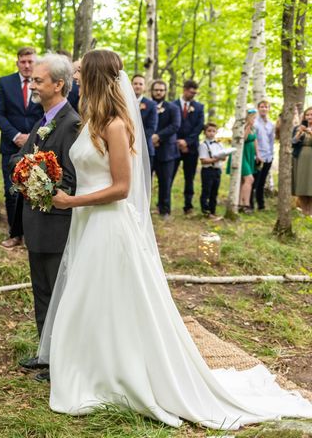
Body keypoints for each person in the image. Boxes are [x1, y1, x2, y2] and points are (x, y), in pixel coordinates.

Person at [37, 49, 312, 428]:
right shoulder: (89, 120)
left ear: (97, 76)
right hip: (87, 222)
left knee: (102, 297)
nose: (76, 77)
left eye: (82, 72)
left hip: (108, 225)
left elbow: (121, 187)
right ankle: (90, 367)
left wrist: (72, 200)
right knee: (86, 298)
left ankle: (118, 374)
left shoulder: (116, 125)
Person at [10, 54, 80, 381]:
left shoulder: (71, 124)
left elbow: (70, 180)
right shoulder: (42, 121)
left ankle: (62, 363)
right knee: (41, 293)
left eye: (39, 81)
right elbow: (22, 158)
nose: (33, 85)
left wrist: (35, 182)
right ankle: (45, 352)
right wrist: (23, 170)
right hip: (35, 223)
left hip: (56, 224)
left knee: (58, 296)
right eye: (33, 80)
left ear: (58, 84)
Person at [0, 47, 43, 248]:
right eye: (23, 62)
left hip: (39, 144)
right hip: (11, 146)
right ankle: (15, 234)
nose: (27, 65)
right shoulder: (5, 83)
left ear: (35, 62)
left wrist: (31, 137)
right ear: (17, 63)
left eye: (31, 61)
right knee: (11, 191)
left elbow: (47, 111)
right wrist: (15, 136)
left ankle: (33, 236)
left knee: (36, 190)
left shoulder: (42, 83)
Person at [173, 80, 205, 214]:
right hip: (173, 147)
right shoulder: (172, 105)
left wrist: (187, 142)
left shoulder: (199, 107)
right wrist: (177, 141)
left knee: (189, 177)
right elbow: (170, 124)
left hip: (191, 148)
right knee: (169, 176)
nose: (193, 95)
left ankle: (188, 206)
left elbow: (199, 127)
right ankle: (164, 205)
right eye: (191, 92)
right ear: (185, 90)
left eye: (195, 93)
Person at [150, 80, 180, 219]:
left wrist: (158, 137)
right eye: (156, 90)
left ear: (165, 92)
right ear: (152, 91)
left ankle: (165, 209)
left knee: (165, 182)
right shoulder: (148, 106)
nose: (158, 92)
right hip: (149, 150)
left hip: (167, 151)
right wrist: (149, 138)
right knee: (145, 181)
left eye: (161, 90)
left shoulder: (173, 108)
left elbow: (175, 126)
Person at [227, 109, 260, 213]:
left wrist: (257, 154)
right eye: (254, 118)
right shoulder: (241, 127)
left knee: (243, 180)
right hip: (240, 155)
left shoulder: (254, 128)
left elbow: (255, 140)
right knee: (249, 179)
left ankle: (240, 203)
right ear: (249, 117)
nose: (255, 120)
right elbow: (243, 139)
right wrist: (248, 126)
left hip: (249, 155)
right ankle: (246, 204)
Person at [251, 100, 275, 210]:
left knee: (262, 182)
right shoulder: (254, 123)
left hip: (268, 156)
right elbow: (253, 140)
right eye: (262, 106)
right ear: (258, 108)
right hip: (257, 156)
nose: (264, 108)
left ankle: (261, 205)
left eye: (266, 107)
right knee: (254, 181)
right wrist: (257, 155)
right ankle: (249, 204)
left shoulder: (271, 124)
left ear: (269, 109)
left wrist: (271, 155)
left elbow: (271, 140)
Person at [198, 122, 226, 218]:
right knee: (206, 190)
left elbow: (224, 157)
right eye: (209, 131)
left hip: (217, 170)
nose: (211, 133)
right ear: (205, 132)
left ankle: (213, 210)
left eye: (214, 131)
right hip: (207, 170)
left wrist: (219, 158)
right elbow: (203, 160)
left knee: (215, 191)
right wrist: (216, 159)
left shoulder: (219, 144)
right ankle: (206, 210)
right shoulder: (203, 145)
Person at [131, 74, 158, 171]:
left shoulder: (151, 105)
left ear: (144, 87)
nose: (137, 86)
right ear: (131, 85)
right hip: (126, 149)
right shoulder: (124, 102)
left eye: (140, 84)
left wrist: (134, 140)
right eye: (135, 83)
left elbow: (152, 128)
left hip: (145, 148)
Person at [292, 106, 312, 215]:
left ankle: (311, 211)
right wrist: (299, 132)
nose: (309, 117)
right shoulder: (298, 128)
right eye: (307, 115)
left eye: (311, 115)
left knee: (310, 185)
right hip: (300, 158)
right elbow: (293, 142)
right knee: (302, 185)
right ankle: (305, 212)